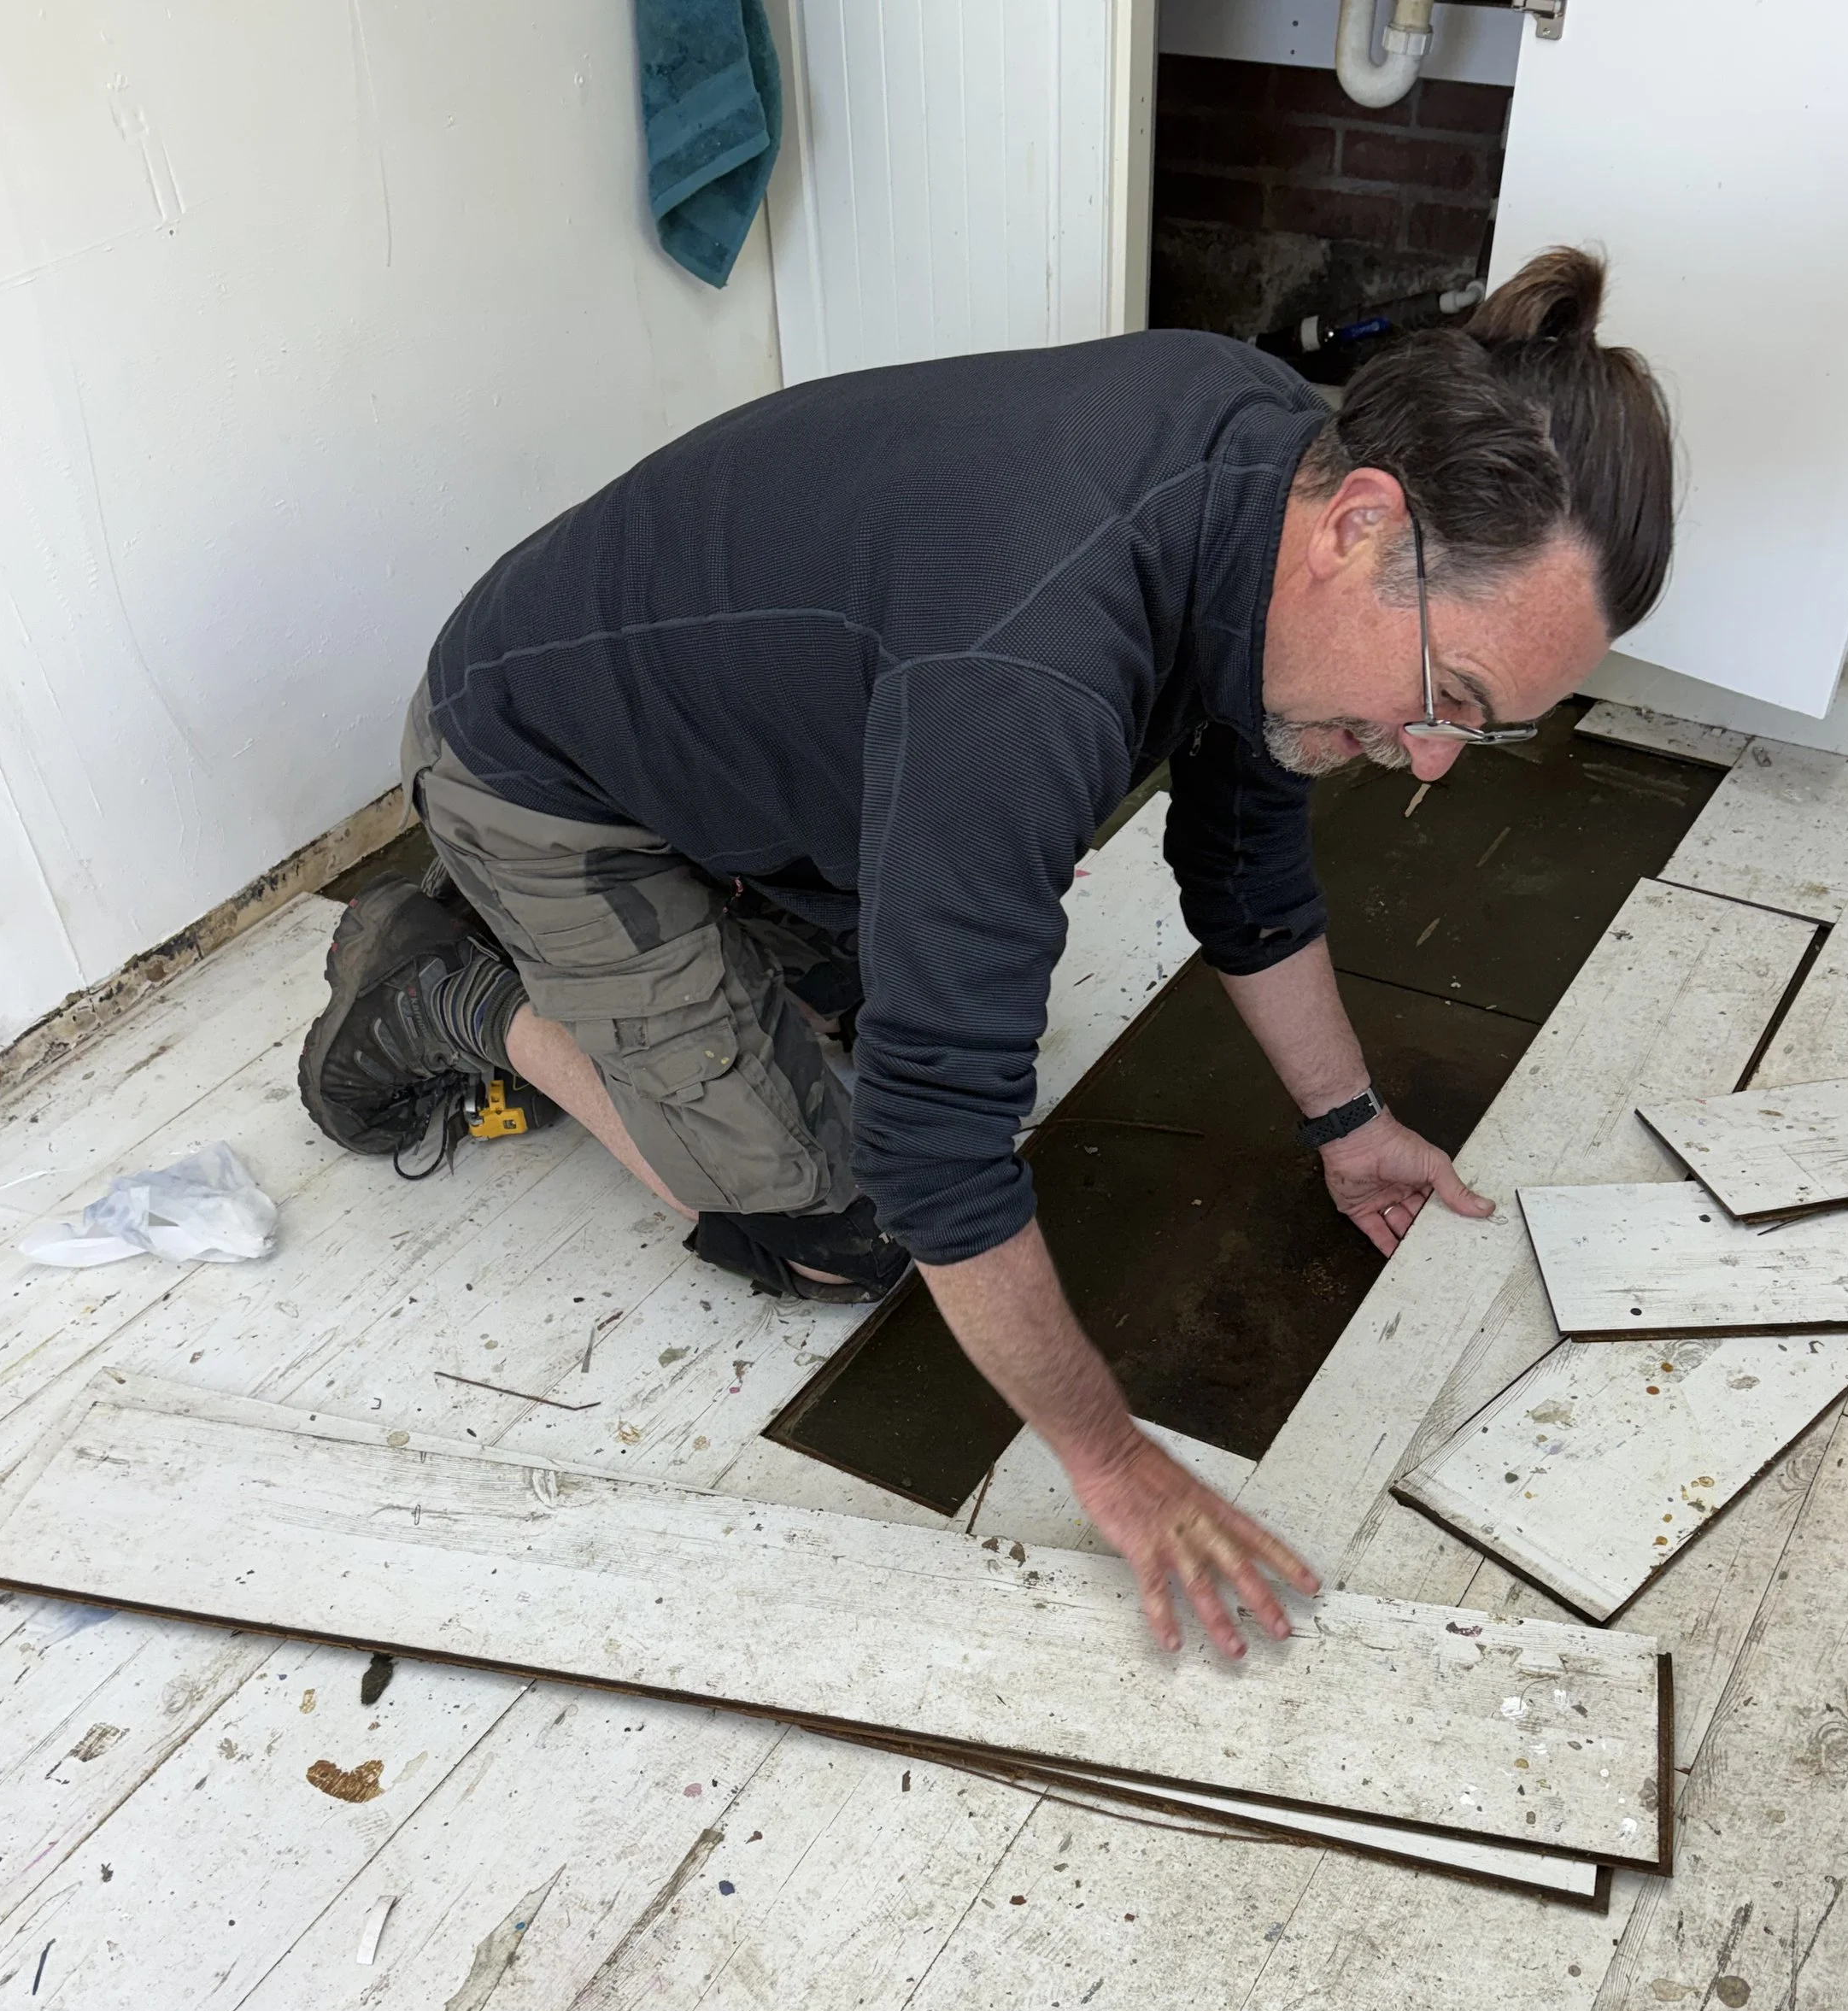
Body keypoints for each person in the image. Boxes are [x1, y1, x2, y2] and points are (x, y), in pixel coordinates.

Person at [300, 245, 1672, 1656]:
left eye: (1486, 729)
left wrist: (1349, 1122)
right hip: (540, 768)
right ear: (1363, 529)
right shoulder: (1030, 662)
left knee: (918, 1015)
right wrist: (1114, 1465)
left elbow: (1243, 862)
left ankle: (678, 929)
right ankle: (443, 981)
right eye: (1450, 696)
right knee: (841, 1224)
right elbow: (938, 1158)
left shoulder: (1274, 474)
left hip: (774, 755)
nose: (1436, 762)